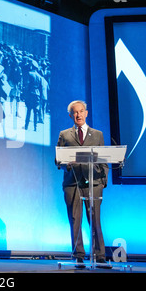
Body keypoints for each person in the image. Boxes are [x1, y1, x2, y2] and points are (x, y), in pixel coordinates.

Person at [56, 100, 111, 269]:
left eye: (81, 111)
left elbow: (104, 160)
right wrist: (67, 163)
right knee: (75, 220)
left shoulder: (97, 134)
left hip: (93, 183)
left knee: (95, 220)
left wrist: (102, 182)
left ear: (86, 113)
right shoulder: (64, 134)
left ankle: (99, 256)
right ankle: (78, 256)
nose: (78, 115)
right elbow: (58, 159)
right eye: (75, 112)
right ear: (71, 115)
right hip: (72, 183)